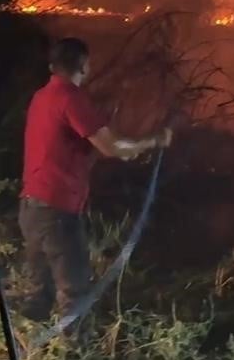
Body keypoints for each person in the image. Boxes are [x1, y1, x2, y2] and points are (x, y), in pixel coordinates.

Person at [18, 37, 172, 331]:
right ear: (85, 66)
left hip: (31, 207)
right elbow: (111, 147)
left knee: (38, 295)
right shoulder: (70, 99)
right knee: (74, 294)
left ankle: (24, 359)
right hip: (57, 212)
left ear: (53, 65)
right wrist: (153, 141)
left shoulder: (41, 97)